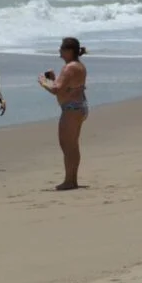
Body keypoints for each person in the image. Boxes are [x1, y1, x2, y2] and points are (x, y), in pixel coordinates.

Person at [38, 37, 89, 191]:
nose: (59, 51)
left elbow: (56, 90)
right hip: (78, 107)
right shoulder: (78, 66)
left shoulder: (69, 68)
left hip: (71, 109)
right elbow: (65, 86)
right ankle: (72, 179)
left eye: (62, 48)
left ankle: (70, 180)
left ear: (69, 51)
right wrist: (53, 78)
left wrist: (43, 82)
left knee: (68, 145)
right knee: (72, 145)